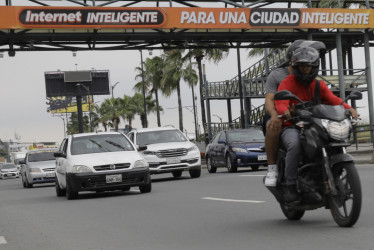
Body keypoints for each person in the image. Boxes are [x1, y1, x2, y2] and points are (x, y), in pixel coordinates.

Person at [275, 46, 359, 202]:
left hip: (313, 124)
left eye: (308, 66)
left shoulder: (319, 85)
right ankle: (290, 185)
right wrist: (285, 110)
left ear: (314, 67)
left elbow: (335, 101)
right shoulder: (288, 83)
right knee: (294, 145)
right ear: (296, 66)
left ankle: (329, 176)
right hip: (292, 125)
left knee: (331, 140)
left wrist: (349, 108)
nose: (306, 69)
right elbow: (281, 102)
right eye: (302, 66)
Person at [264, 40, 326, 186]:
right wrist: (275, 114)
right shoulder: (277, 75)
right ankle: (272, 168)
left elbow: (324, 97)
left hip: (306, 116)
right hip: (282, 116)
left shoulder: (309, 74)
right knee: (274, 124)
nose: (306, 63)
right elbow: (270, 100)